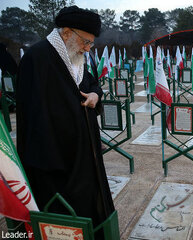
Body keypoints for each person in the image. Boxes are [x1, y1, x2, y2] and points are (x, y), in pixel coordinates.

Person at [16, 5, 115, 233]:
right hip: (56, 162)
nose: (88, 48)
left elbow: (92, 85)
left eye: (91, 43)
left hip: (86, 154)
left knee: (91, 207)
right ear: (67, 32)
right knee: (63, 220)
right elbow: (33, 118)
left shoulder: (77, 56)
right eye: (85, 41)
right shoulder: (36, 58)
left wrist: (95, 96)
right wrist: (55, 160)